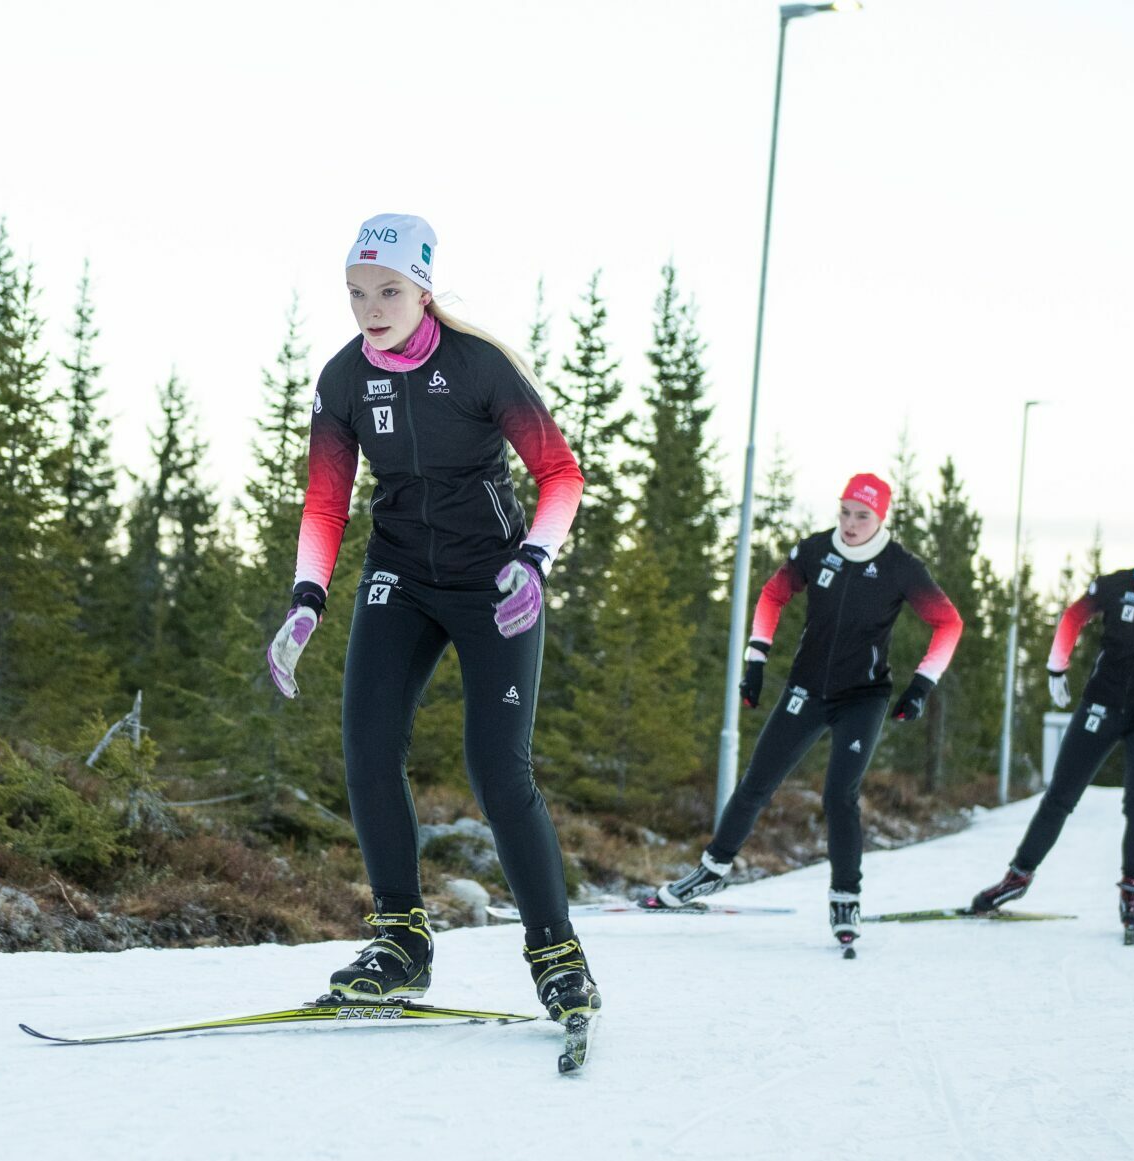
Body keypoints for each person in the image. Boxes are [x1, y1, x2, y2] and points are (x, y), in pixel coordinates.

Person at [265, 213, 599, 1024]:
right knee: (369, 746)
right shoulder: (344, 381)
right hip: (400, 576)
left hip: (495, 583)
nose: (370, 307)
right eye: (356, 292)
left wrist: (533, 559)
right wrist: (307, 597)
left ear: (422, 289)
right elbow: (325, 499)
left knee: (496, 766)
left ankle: (556, 952)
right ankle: (400, 940)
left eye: (387, 291)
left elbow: (560, 473)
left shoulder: (480, 366)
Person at [654, 474, 964, 947]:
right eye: (845, 512)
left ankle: (846, 898)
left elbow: (948, 623)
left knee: (840, 795)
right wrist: (756, 660)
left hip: (863, 697)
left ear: (881, 518)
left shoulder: (901, 566)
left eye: (863, 516)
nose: (851, 523)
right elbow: (772, 594)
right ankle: (711, 872)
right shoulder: (816, 550)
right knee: (757, 782)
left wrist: (922, 685)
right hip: (807, 688)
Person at [970, 521, 1134, 936]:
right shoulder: (1114, 585)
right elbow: (1073, 618)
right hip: (1102, 704)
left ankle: (1133, 889)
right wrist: (1057, 666)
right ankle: (1017, 877)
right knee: (1060, 796)